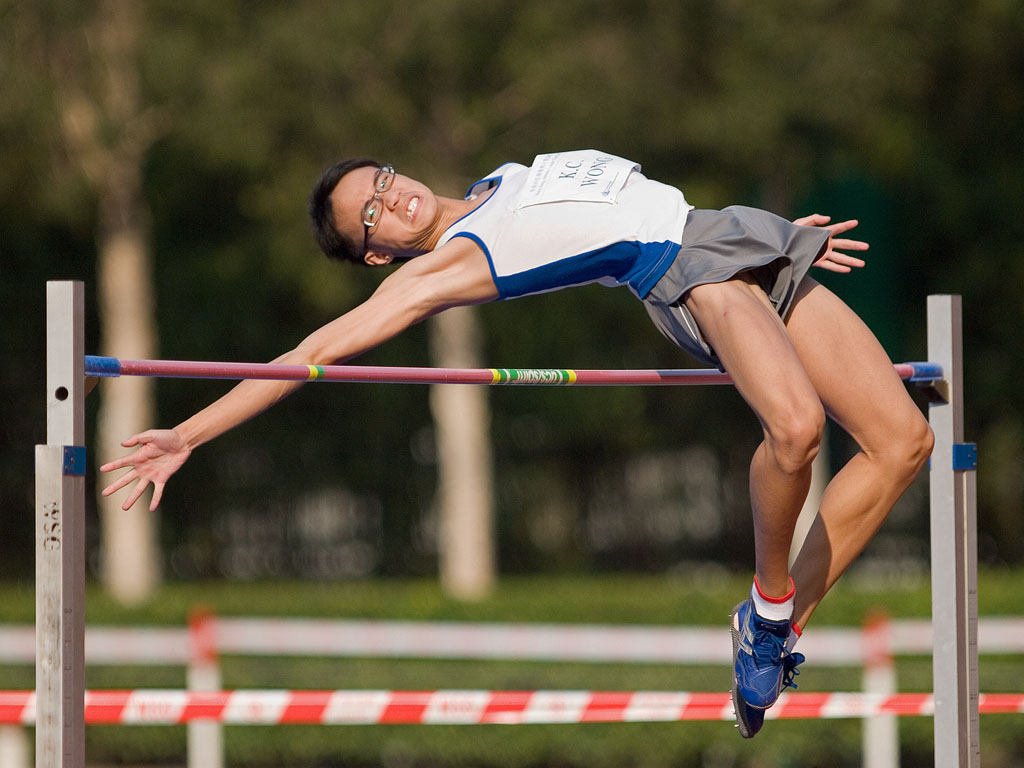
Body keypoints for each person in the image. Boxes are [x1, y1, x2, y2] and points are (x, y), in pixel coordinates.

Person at [100, 150, 933, 737]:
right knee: (795, 432)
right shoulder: (437, 270)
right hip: (692, 274)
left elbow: (627, 199)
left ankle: (771, 626)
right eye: (371, 218)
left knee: (904, 441)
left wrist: (768, 236)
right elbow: (306, 355)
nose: (391, 201)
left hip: (732, 238)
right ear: (376, 254)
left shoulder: (496, 182)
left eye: (382, 182)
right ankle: (771, 607)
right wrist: (189, 433)